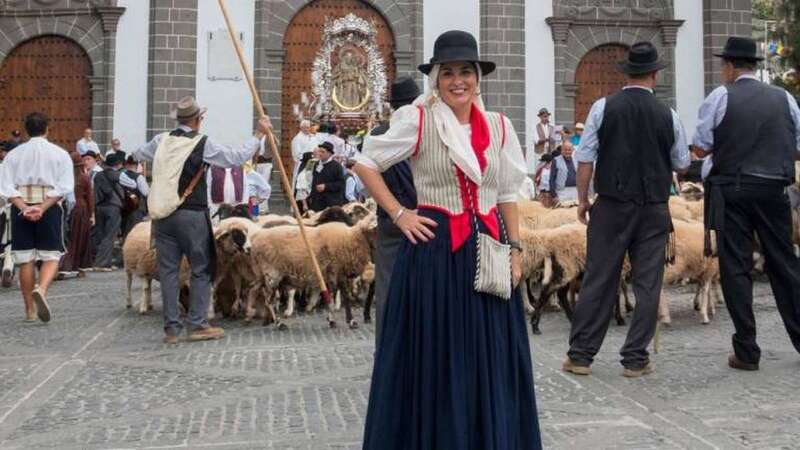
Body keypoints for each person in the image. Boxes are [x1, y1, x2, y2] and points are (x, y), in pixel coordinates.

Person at [354, 30, 541, 449]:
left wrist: (515, 248)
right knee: (440, 353)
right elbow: (365, 163)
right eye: (449, 73)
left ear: (478, 77)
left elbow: (506, 192)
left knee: (490, 353)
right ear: (436, 79)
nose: (459, 81)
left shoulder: (499, 126)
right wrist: (400, 214)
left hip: (489, 251)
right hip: (436, 254)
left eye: (466, 72)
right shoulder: (418, 119)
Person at [563, 42, 690, 378]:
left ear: (627, 74)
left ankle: (581, 356)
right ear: (654, 74)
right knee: (648, 283)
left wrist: (583, 200)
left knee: (599, 278)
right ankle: (635, 358)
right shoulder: (669, 115)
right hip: (653, 208)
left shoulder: (603, 107)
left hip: (612, 206)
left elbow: (585, 159)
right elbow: (682, 162)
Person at [692, 36, 800, 371]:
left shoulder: (721, 96)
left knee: (735, 267)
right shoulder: (784, 98)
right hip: (774, 189)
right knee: (784, 264)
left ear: (729, 66)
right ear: (754, 65)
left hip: (733, 189)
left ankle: (747, 350)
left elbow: (700, 147)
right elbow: (796, 143)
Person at [134, 96, 271, 344]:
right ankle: (197, 324)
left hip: (162, 215)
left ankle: (171, 329)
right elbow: (235, 158)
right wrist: (258, 133)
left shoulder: (161, 140)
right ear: (198, 119)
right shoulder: (202, 143)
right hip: (191, 214)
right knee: (201, 268)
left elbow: (137, 153)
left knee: (168, 271)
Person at [0, 112, 73, 323]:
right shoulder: (60, 154)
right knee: (51, 256)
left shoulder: (13, 155)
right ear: (47, 129)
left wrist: (24, 208)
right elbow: (65, 186)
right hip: (48, 206)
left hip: (21, 206)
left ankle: (30, 311)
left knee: (25, 259)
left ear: (26, 130)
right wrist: (42, 207)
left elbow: (5, 187)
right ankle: (41, 289)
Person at [368, 76, 420, 341]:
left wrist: (394, 210)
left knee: (387, 288)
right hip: (422, 218)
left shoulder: (378, 134)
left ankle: (386, 347)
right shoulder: (421, 130)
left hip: (390, 217)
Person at [93, 152, 132, 271]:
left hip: (99, 206)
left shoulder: (97, 175)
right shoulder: (118, 174)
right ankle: (102, 264)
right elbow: (133, 184)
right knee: (110, 235)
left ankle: (102, 261)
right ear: (117, 164)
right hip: (113, 206)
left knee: (100, 234)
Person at [61, 151, 95, 276]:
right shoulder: (84, 178)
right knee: (81, 239)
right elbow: (90, 198)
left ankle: (65, 266)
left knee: (68, 240)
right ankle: (80, 268)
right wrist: (91, 214)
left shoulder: (65, 178)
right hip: (81, 210)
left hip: (66, 209)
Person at [307, 141, 346, 211]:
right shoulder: (316, 164)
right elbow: (314, 181)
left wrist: (326, 186)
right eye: (319, 151)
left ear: (329, 153)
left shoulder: (336, 166)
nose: (320, 154)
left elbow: (341, 184)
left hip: (331, 203)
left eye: (323, 152)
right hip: (317, 202)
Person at [120, 155, 149, 237]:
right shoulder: (139, 177)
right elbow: (146, 192)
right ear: (136, 165)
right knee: (134, 233)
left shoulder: (120, 175)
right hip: (135, 207)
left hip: (122, 208)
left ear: (126, 164)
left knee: (124, 230)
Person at [527, 107, 555, 174]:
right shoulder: (535, 127)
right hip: (540, 151)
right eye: (544, 116)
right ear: (540, 117)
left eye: (547, 116)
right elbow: (536, 140)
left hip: (549, 150)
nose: (546, 118)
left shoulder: (551, 127)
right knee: (539, 168)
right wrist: (547, 139)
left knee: (549, 168)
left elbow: (554, 139)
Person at [291, 119, 315, 184]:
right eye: (306, 127)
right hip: (302, 164)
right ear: (301, 128)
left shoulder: (313, 137)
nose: (308, 129)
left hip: (313, 163)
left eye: (309, 127)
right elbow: (296, 154)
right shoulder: (297, 139)